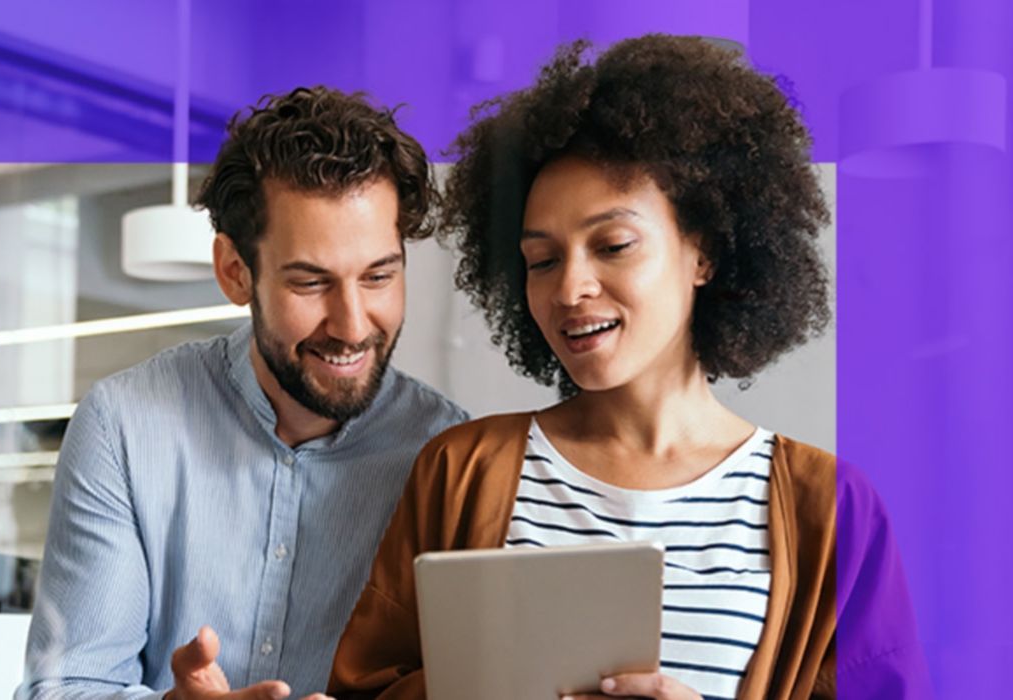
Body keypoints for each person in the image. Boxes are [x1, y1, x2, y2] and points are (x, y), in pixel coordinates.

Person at [325, 35, 929, 700]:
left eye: (612, 244)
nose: (570, 287)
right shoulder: (462, 468)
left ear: (703, 251)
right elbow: (363, 689)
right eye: (542, 260)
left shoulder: (834, 511)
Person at [18, 86, 469, 700]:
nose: (353, 324)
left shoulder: (450, 455)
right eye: (311, 282)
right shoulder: (124, 425)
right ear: (235, 271)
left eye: (379, 276)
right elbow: (67, 686)